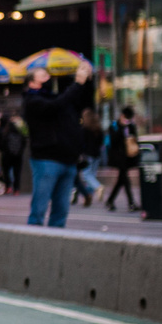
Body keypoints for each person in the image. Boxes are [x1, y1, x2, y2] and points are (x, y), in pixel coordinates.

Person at [22, 65, 97, 228]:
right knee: (39, 208)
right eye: (43, 76)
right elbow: (56, 105)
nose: (48, 79)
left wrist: (85, 82)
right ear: (32, 83)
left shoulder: (54, 98)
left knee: (61, 209)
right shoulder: (33, 101)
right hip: (46, 160)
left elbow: (72, 103)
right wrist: (77, 83)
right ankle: (33, 241)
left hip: (68, 160)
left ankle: (55, 240)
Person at [104, 104, 144, 212]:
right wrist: (121, 127)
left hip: (127, 157)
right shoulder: (114, 126)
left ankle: (110, 201)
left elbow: (135, 139)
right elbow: (113, 141)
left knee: (122, 180)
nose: (127, 120)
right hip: (118, 157)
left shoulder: (131, 126)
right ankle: (131, 203)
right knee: (125, 179)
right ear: (122, 116)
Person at [0, 109, 28, 199]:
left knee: (6, 172)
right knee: (17, 173)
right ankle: (16, 189)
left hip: (6, 155)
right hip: (18, 155)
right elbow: (24, 141)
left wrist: (2, 149)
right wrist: (20, 151)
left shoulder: (1, 131)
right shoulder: (17, 130)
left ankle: (8, 187)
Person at [73, 110, 105, 207]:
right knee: (92, 175)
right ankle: (89, 195)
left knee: (86, 175)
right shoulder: (98, 129)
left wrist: (81, 153)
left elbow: (81, 143)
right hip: (97, 155)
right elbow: (101, 142)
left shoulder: (85, 129)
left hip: (88, 154)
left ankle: (98, 187)